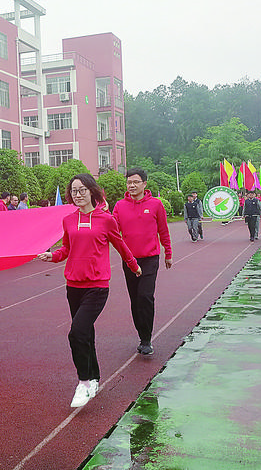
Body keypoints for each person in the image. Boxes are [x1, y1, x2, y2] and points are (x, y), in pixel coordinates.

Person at [37, 173, 141, 408]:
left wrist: (134, 266)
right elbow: (66, 249)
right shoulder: (69, 220)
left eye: (82, 190)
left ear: (92, 191)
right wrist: (51, 256)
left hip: (97, 286)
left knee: (77, 332)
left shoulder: (106, 220)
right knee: (86, 334)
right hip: (73, 285)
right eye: (74, 191)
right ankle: (93, 378)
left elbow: (120, 245)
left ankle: (83, 381)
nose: (78, 194)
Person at [113, 169, 173, 357]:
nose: (132, 185)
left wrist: (168, 253)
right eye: (129, 182)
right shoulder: (120, 206)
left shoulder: (155, 205)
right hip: (129, 261)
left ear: (144, 184)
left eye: (136, 182)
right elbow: (113, 230)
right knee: (135, 299)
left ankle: (146, 340)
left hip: (149, 259)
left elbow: (163, 230)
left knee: (145, 296)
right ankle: (142, 335)